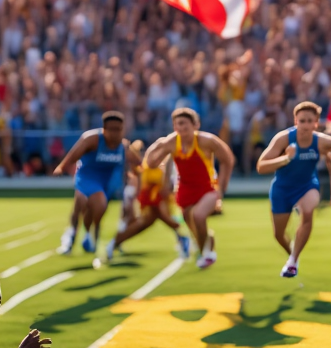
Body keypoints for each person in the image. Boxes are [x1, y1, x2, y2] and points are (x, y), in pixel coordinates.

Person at [255, 101, 331, 278]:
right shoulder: (283, 139)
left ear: (316, 123)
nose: (305, 125)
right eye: (302, 121)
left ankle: (293, 259)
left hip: (307, 186)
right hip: (282, 189)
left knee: (308, 210)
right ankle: (292, 257)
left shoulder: (321, 142)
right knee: (279, 235)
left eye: (310, 121)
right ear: (295, 121)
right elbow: (261, 166)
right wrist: (286, 159)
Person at [144, 107, 235, 269]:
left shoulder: (207, 141)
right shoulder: (171, 142)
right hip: (185, 190)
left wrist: (222, 188)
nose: (181, 127)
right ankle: (207, 242)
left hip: (208, 188)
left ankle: (207, 254)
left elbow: (227, 160)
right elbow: (151, 163)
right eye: (178, 124)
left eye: (185, 124)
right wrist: (158, 144)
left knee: (198, 216)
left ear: (196, 125)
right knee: (191, 224)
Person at [52, 111, 140, 260]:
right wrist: (61, 167)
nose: (115, 133)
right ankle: (73, 235)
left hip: (108, 183)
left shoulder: (123, 146)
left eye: (119, 129)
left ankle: (87, 234)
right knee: (87, 202)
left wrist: (144, 171)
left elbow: (138, 163)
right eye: (112, 129)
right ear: (104, 129)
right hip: (87, 177)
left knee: (95, 209)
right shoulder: (91, 139)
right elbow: (73, 155)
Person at [108, 146, 189, 260]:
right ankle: (114, 243)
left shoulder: (159, 167)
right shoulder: (147, 167)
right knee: (142, 224)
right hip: (150, 201)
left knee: (143, 224)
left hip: (156, 201)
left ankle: (114, 243)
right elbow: (145, 185)